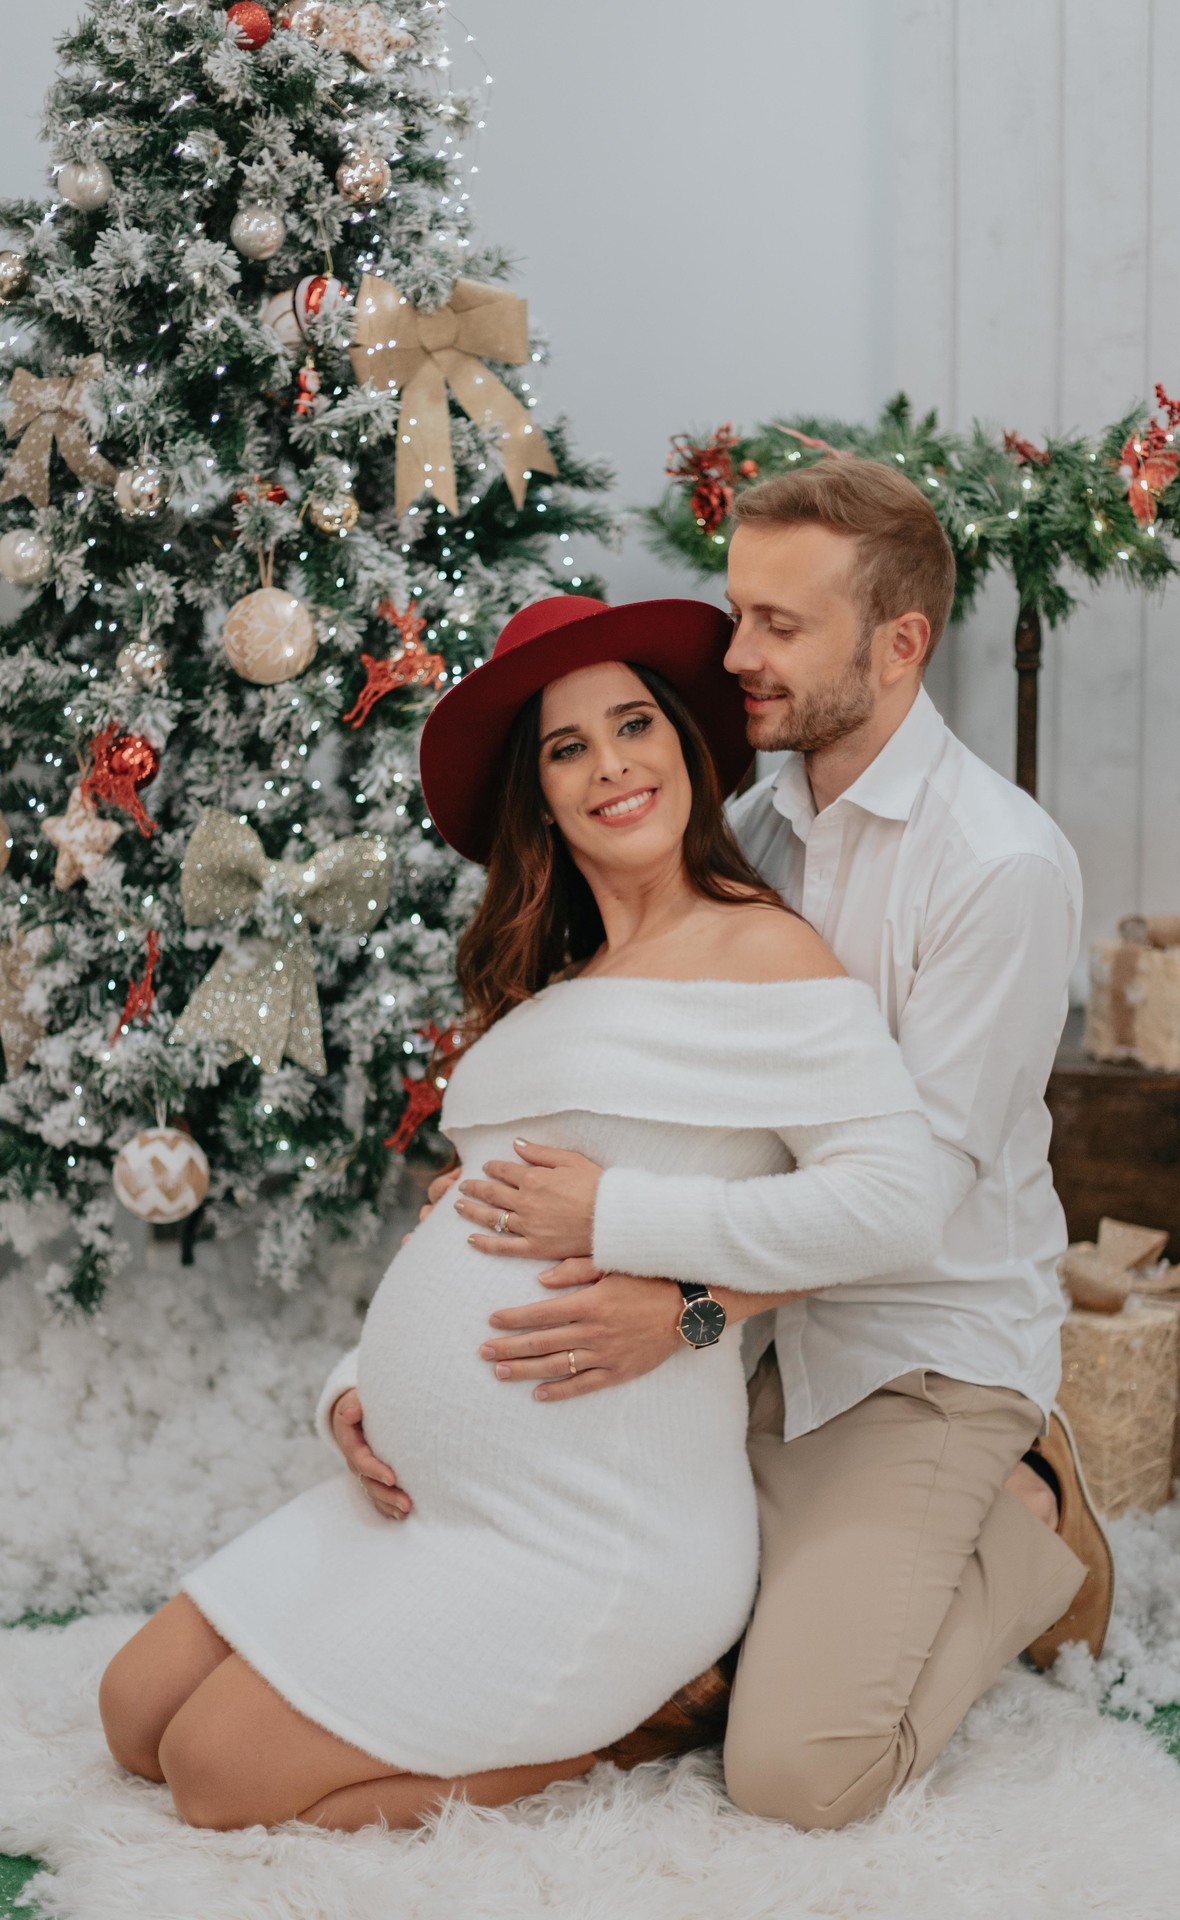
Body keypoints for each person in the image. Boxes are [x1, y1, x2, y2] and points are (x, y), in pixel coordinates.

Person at [97, 592, 944, 1833]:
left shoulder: (764, 954)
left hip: (592, 1536)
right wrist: (359, 1389)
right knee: (133, 1715)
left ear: (684, 749)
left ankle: (630, 1725)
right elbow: (469, 1231)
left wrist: (615, 1217)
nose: (612, 766)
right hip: (432, 1506)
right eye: (568, 747)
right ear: (539, 795)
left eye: (635, 725)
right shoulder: (552, 990)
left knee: (213, 1776)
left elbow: (899, 1205)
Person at [395, 459, 1113, 1830]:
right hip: (752, 1343)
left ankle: (1030, 1524)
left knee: (794, 1772)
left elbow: (909, 1207)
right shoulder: (747, 826)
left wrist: (661, 1274)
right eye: (738, 614)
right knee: (634, 1672)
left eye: (780, 625)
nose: (734, 657)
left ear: (898, 645)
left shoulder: (999, 869)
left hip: (919, 1353)